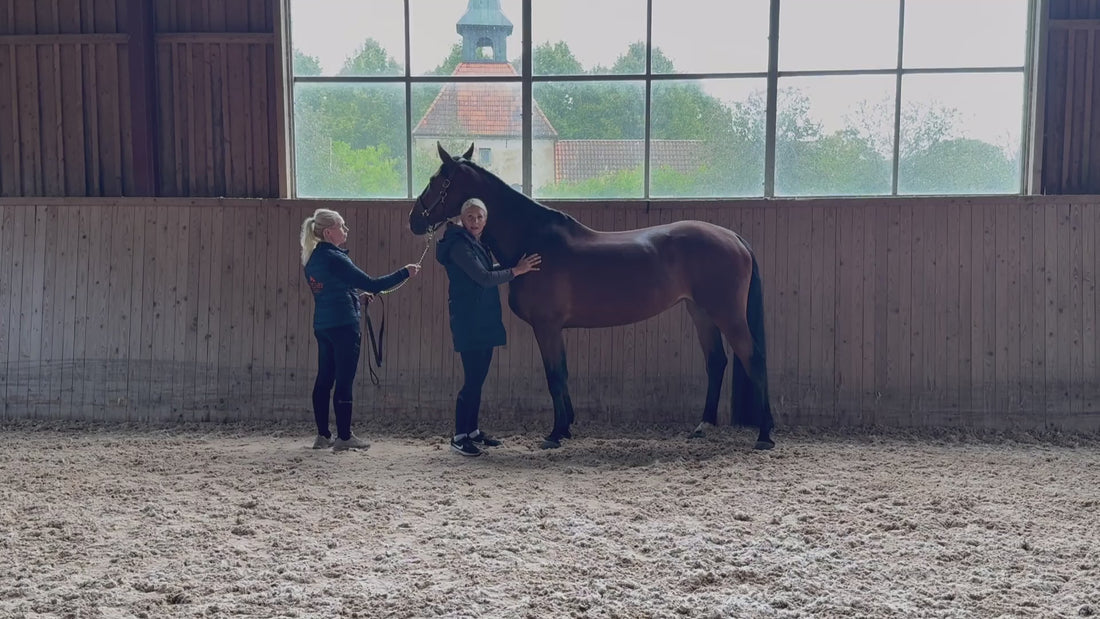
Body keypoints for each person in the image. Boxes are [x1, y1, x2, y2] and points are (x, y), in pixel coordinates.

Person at [299, 208, 421, 451]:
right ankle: (344, 437)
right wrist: (405, 272)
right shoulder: (336, 258)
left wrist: (357, 298)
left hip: (323, 325)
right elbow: (373, 283)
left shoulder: (313, 258)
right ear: (329, 232)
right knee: (344, 381)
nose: (346, 230)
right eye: (341, 226)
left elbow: (331, 290)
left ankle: (323, 435)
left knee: (324, 379)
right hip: (344, 326)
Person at [436, 198, 541, 457]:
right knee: (472, 381)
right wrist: (516, 271)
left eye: (480, 217)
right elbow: (483, 277)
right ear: (462, 219)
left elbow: (485, 269)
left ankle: (472, 431)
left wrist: (513, 266)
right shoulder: (459, 245)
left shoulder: (474, 243)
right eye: (470, 217)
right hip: (470, 320)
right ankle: (459, 436)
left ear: (486, 220)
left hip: (481, 318)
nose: (475, 222)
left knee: (478, 379)